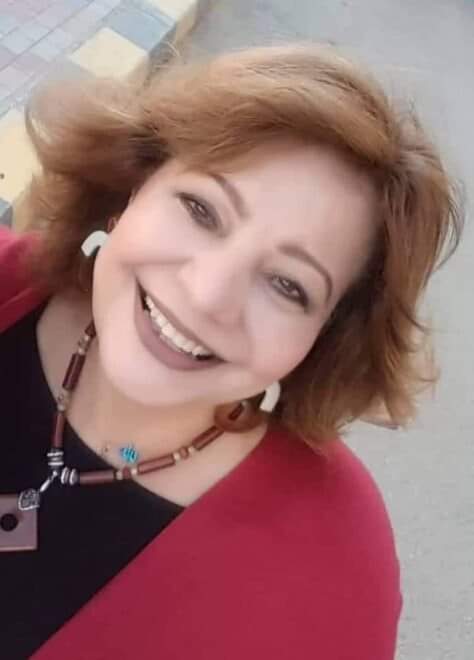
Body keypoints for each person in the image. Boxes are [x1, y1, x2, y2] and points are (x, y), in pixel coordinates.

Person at [0, 44, 462, 659]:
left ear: (325, 336)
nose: (206, 294)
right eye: (201, 210)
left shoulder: (332, 574)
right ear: (132, 187)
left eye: (287, 285)